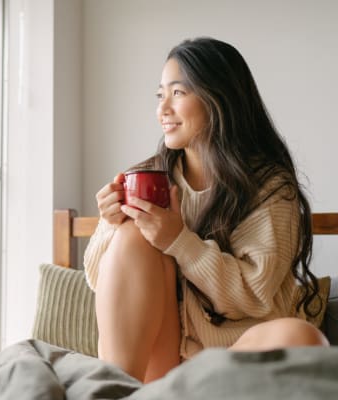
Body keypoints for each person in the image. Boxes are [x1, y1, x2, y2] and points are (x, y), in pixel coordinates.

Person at [83, 37, 329, 383]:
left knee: (301, 338)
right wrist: (111, 224)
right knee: (131, 235)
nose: (162, 109)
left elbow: (254, 296)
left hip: (232, 364)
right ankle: (115, 390)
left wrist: (179, 241)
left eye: (178, 93)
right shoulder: (151, 178)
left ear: (219, 100)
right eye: (160, 95)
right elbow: (100, 280)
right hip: (163, 366)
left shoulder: (271, 187)